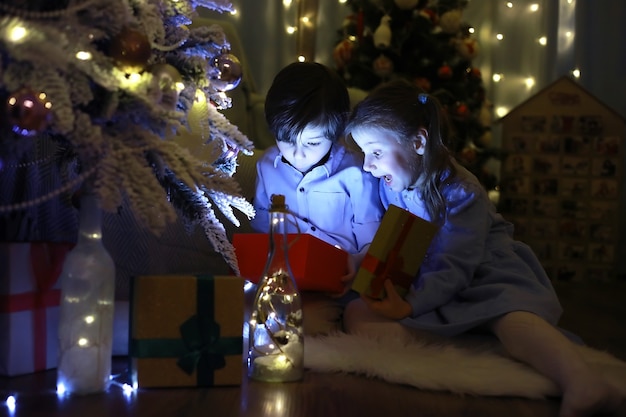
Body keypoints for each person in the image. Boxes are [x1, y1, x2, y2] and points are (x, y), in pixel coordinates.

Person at [342, 79, 624, 417]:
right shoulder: (393, 184)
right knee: (356, 314)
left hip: (485, 274)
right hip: (431, 282)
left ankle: (581, 381)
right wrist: (360, 261)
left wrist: (410, 307)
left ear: (418, 142)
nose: (367, 166)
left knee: (512, 320)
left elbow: (457, 266)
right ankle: (484, 345)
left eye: (375, 152)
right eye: (364, 154)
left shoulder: (462, 191)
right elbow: (393, 240)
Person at [250, 61, 384, 333]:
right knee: (254, 321)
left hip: (342, 288)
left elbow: (373, 239)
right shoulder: (266, 169)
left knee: (305, 326)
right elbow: (262, 235)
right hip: (285, 286)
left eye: (312, 143)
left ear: (335, 133)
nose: (298, 154)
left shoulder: (356, 173)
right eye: (286, 140)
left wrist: (356, 265)